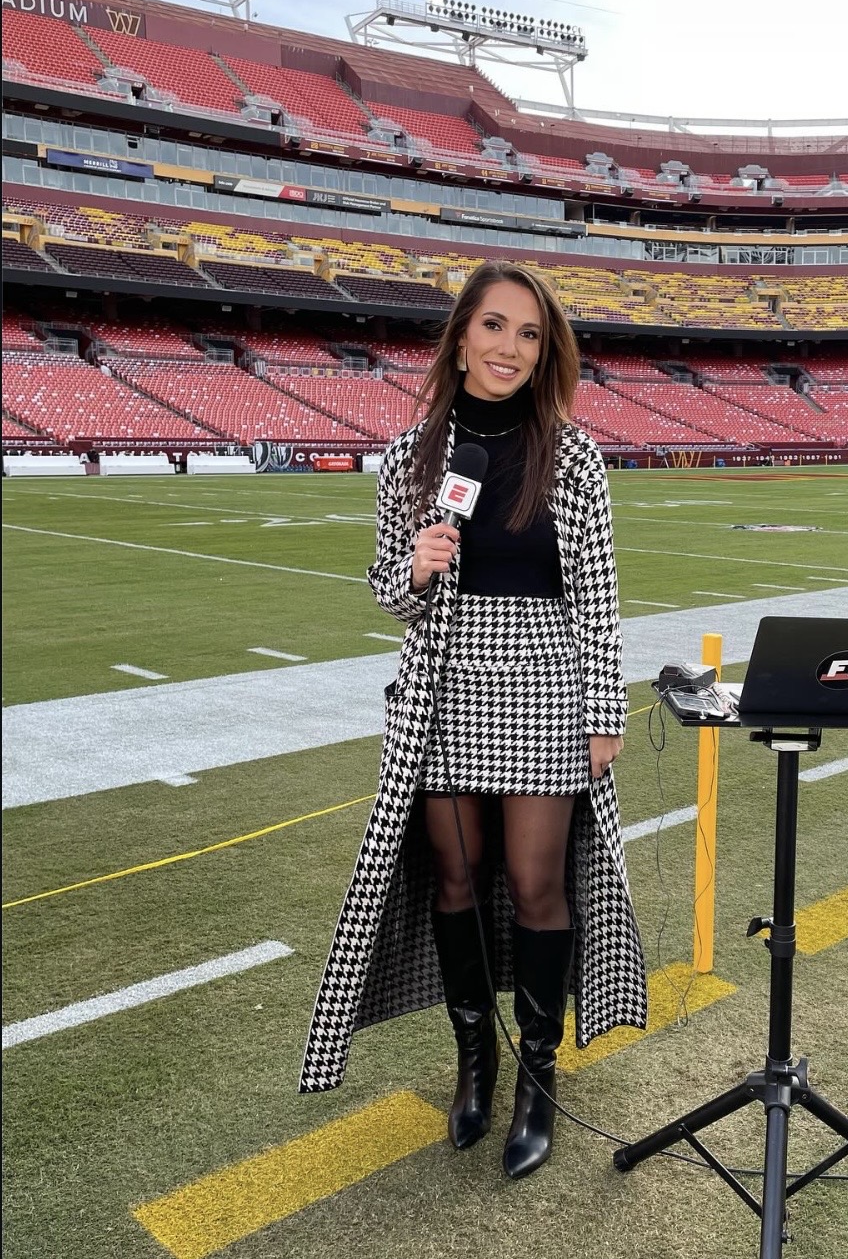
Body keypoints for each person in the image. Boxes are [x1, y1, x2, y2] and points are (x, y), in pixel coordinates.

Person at [299, 261, 648, 1182]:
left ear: (545, 353)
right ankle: (474, 1057)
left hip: (545, 686)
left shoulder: (573, 456)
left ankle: (538, 1073)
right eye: (495, 326)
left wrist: (604, 711)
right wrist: (416, 566)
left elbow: (600, 598)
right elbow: (388, 593)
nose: (510, 348)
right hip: (444, 687)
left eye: (530, 334)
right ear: (460, 338)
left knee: (536, 882)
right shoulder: (411, 457)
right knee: (453, 876)